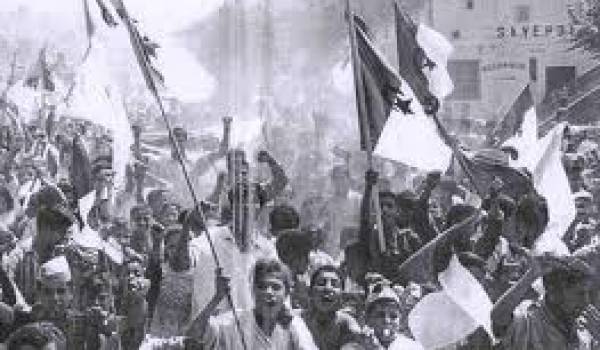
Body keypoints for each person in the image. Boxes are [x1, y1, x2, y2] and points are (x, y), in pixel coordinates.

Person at [187, 258, 318, 349]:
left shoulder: (293, 324)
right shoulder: (232, 321)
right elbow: (194, 336)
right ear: (253, 290)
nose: (269, 292)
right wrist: (217, 298)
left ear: (286, 293)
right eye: (262, 286)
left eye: (276, 287)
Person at [493, 253, 597, 349]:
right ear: (554, 293)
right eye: (579, 294)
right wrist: (531, 276)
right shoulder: (531, 318)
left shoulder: (585, 331)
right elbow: (498, 318)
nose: (586, 301)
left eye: (588, 294)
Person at [344, 282, 423, 349]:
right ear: (368, 319)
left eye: (393, 316)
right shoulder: (351, 348)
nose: (387, 321)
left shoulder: (413, 347)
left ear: (400, 320)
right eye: (380, 315)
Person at [301, 265, 362, 349]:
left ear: (342, 296)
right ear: (310, 292)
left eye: (335, 284)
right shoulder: (298, 320)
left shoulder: (346, 324)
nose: (328, 288)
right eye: (321, 283)